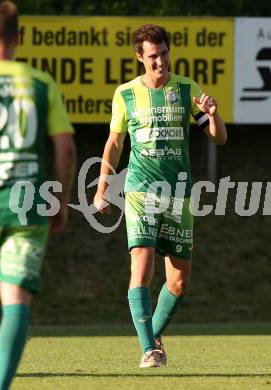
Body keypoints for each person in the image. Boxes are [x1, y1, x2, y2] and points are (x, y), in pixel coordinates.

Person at [94, 24, 226, 368]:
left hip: (178, 193)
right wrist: (103, 188)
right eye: (153, 56)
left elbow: (218, 137)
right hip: (139, 190)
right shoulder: (125, 93)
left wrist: (214, 115)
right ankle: (150, 350)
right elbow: (115, 142)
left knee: (179, 282)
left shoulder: (186, 89)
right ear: (140, 57)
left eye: (164, 54)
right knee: (143, 264)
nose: (160, 62)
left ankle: (151, 335)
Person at [0, 1, 76, 388]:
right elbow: (65, 149)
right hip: (26, 205)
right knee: (15, 304)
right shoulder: (40, 84)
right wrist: (59, 200)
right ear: (18, 38)